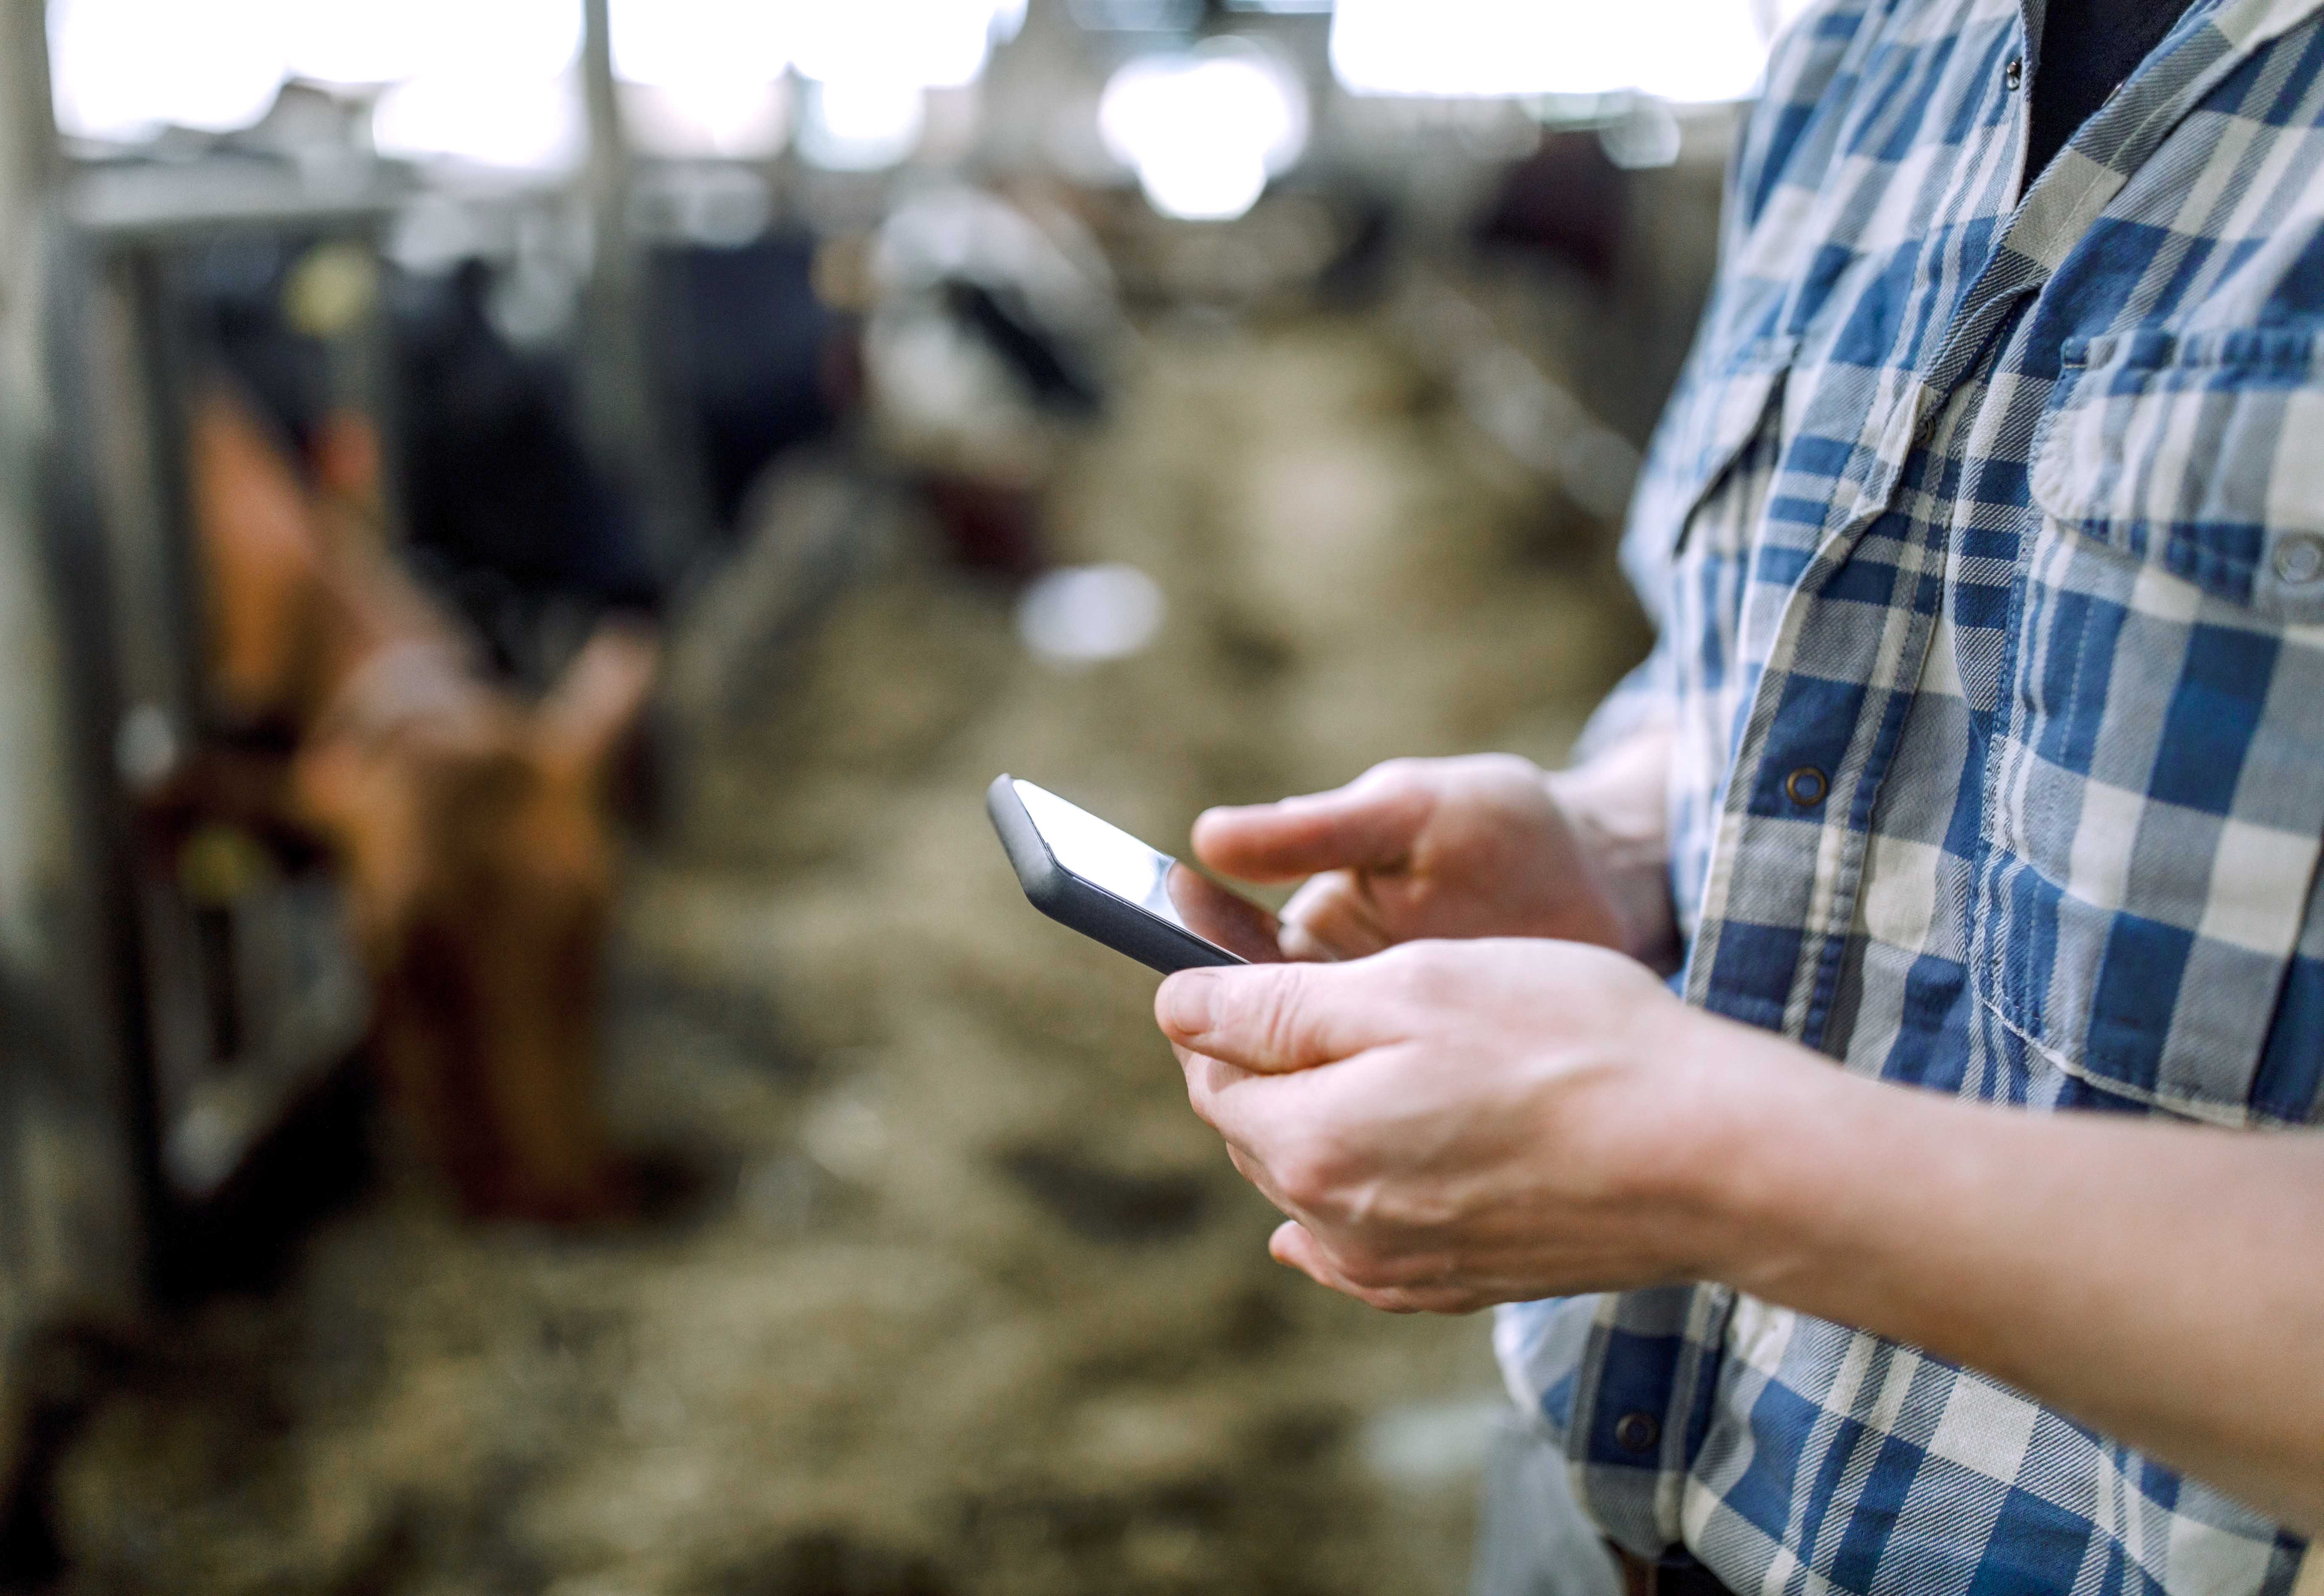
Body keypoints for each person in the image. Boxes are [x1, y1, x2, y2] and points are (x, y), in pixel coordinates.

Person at [1151, 0, 2324, 1591]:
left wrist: (1712, 1161)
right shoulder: (1871, 42)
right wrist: (1628, 835)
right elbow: (1730, 643)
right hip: (1601, 1496)